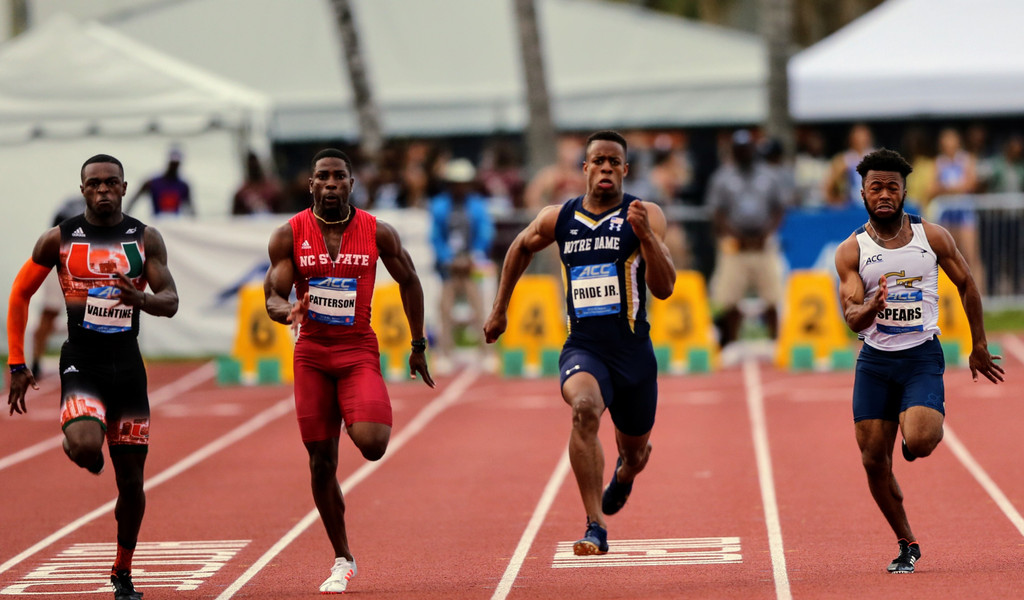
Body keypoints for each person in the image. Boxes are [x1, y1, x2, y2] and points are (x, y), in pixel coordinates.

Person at [483, 130, 676, 555]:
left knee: (637, 453)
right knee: (584, 411)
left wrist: (645, 237)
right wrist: (500, 309)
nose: (606, 168)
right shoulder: (561, 216)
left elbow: (664, 288)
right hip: (584, 348)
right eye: (598, 161)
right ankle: (595, 525)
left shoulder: (644, 214)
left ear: (625, 170)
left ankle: (624, 473)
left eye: (614, 162)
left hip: (633, 354)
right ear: (584, 168)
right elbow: (519, 246)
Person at [7, 154, 180, 600]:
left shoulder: (145, 238)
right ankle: (81, 440)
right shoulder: (59, 239)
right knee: (86, 447)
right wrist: (17, 363)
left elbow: (170, 299)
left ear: (124, 188)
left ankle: (123, 571)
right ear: (83, 189)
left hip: (128, 367)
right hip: (82, 360)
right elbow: (21, 293)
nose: (103, 190)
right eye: (94, 184)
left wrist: (136, 298)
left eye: (111, 183)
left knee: (132, 485)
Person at [263, 148, 435, 593]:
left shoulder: (379, 233)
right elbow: (272, 294)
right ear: (311, 185)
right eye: (324, 177)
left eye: (340, 176)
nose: (332, 184)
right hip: (313, 355)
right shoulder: (289, 234)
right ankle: (342, 556)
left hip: (358, 349)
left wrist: (418, 345)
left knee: (374, 445)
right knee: (321, 462)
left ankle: (358, 414)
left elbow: (410, 280)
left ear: (352, 184)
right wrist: (288, 311)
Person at [834, 148, 1004, 574]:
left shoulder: (933, 237)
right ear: (863, 192)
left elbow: (967, 284)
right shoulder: (851, 251)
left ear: (906, 190)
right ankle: (906, 541)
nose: (885, 194)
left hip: (920, 356)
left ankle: (911, 435)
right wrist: (871, 308)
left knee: (923, 440)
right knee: (873, 459)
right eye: (877, 187)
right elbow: (850, 314)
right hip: (874, 361)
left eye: (893, 186)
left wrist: (978, 343)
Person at [706, 129, 787, 349]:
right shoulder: (722, 177)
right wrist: (734, 235)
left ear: (753, 150)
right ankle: (731, 343)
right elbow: (717, 213)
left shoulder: (769, 176)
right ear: (734, 151)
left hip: (763, 243)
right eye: (739, 150)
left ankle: (775, 342)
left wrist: (767, 232)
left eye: (747, 149)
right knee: (728, 298)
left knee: (772, 296)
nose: (744, 153)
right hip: (735, 245)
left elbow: (779, 208)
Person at [428, 158, 495, 373]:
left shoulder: (477, 205)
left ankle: (486, 353)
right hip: (448, 267)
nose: (459, 187)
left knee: (479, 306)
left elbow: (486, 232)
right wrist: (448, 258)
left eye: (463, 182)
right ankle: (445, 354)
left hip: (471, 264)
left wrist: (474, 255)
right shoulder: (438, 205)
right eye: (455, 182)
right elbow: (435, 236)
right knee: (445, 307)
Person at [31, 196, 87, 378]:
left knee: (92, 313)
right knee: (49, 313)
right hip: (62, 261)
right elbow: (54, 230)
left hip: (88, 266)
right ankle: (36, 361)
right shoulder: (71, 206)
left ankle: (89, 359)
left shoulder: (107, 209)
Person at [125, 147, 194, 217]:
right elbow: (133, 200)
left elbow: (190, 208)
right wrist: (126, 218)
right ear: (169, 162)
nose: (174, 166)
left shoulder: (183, 186)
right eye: (173, 163)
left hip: (176, 221)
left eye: (176, 164)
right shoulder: (152, 183)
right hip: (157, 220)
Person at [823, 123, 874, 207]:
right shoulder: (842, 160)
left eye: (863, 137)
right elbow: (828, 186)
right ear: (851, 139)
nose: (861, 140)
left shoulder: (877, 158)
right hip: (850, 204)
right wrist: (834, 201)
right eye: (857, 137)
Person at [232, 150, 285, 215]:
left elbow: (283, 213)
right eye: (251, 165)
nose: (254, 167)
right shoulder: (242, 193)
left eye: (255, 164)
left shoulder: (273, 189)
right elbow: (235, 218)